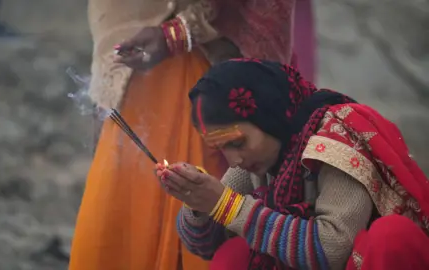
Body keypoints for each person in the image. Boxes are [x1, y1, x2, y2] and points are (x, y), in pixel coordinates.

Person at [69, 1, 316, 270]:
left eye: (236, 144)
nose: (235, 157)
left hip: (200, 51)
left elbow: (327, 246)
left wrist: (178, 32)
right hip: (132, 59)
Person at [156, 59, 429, 270]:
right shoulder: (258, 156)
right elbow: (206, 245)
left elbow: (332, 249)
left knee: (392, 236)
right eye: (220, 148)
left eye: (237, 144)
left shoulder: (335, 141)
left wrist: (226, 205)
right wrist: (197, 202)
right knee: (232, 255)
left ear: (270, 118)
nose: (234, 160)